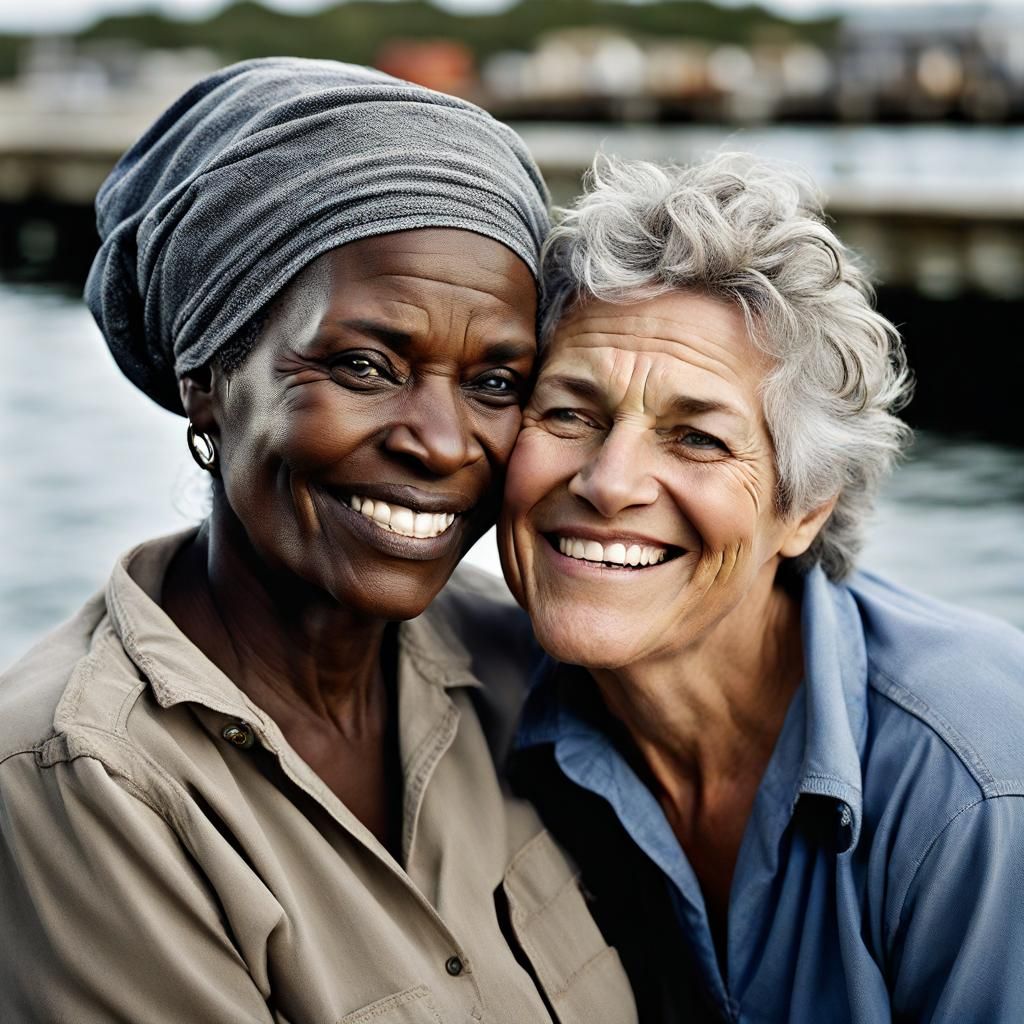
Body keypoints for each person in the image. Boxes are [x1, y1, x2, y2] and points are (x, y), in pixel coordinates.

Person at [0, 60, 638, 1024]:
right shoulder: (85, 779)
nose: (442, 441)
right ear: (207, 375)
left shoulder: (523, 667)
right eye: (364, 365)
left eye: (497, 383)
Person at [500, 152, 1024, 1023]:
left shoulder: (975, 788)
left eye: (698, 438)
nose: (609, 480)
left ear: (805, 510)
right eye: (569, 413)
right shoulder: (478, 700)